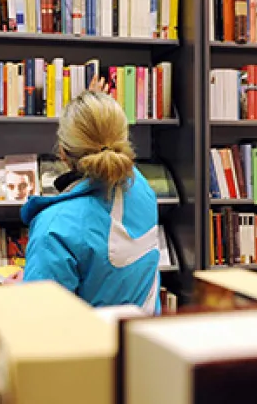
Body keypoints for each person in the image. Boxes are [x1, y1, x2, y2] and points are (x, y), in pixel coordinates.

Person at [12, 78, 161, 314]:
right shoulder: (142, 190)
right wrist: (96, 113)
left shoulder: (54, 228)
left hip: (91, 350)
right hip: (141, 344)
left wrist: (21, 291)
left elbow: (40, 324)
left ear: (62, 153)